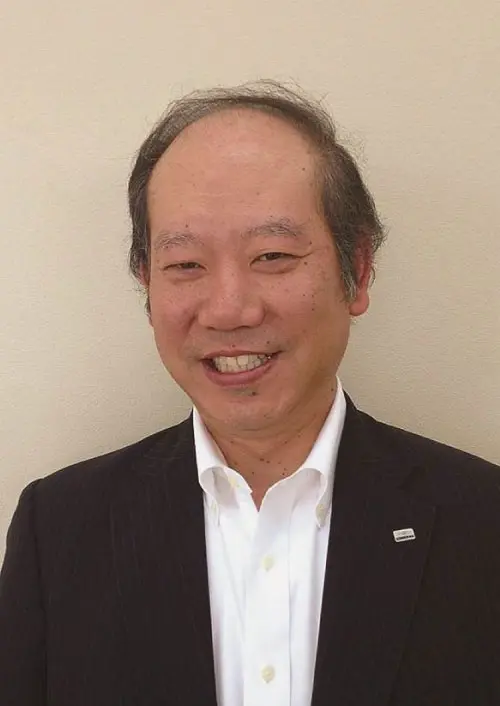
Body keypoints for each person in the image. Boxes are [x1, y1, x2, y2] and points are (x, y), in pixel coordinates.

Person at [0, 80, 499, 706]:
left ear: (358, 270)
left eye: (272, 255)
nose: (229, 309)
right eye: (186, 264)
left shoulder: (482, 523)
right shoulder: (59, 530)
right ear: (147, 283)